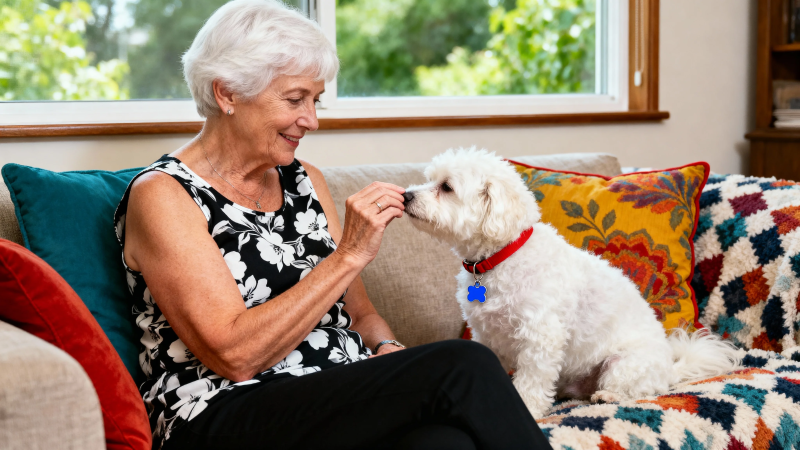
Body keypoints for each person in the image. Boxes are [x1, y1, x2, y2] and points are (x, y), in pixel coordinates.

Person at [114, 1, 552, 449]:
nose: (312, 120)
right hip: (222, 413)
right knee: (465, 363)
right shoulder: (164, 195)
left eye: (315, 100)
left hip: (332, 400)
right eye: (295, 99)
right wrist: (348, 255)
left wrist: (386, 353)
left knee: (443, 443)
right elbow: (234, 355)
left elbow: (360, 315)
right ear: (227, 93)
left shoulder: (305, 181)